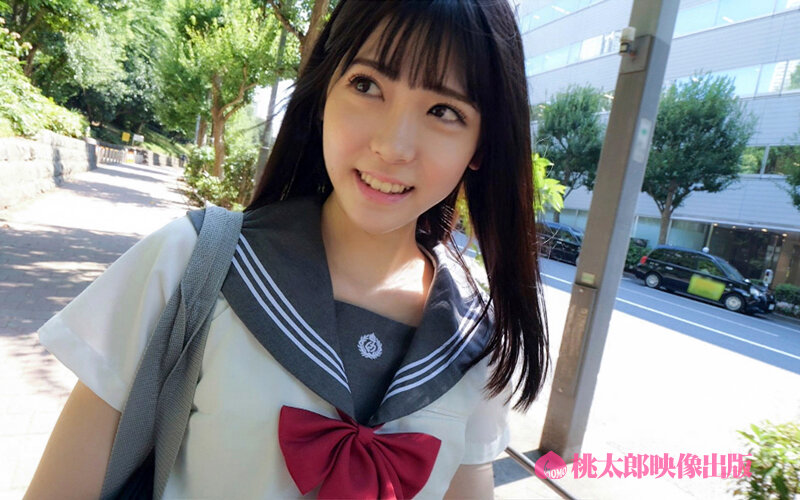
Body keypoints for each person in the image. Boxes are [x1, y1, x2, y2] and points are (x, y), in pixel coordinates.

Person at [25, 0, 550, 498]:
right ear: (324, 92)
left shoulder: (476, 341)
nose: (393, 146)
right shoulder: (192, 262)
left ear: (481, 144)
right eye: (366, 84)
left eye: (443, 110)